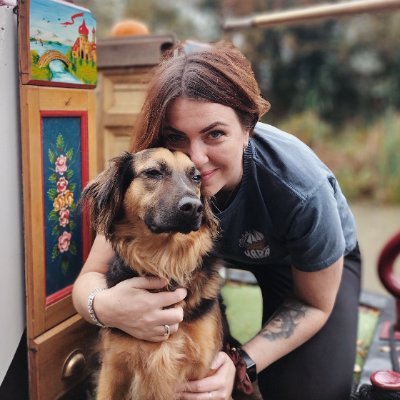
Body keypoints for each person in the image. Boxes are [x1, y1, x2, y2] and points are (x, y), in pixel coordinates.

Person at [72, 41, 362, 400]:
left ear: (248, 129)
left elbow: (314, 304)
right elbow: (90, 276)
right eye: (177, 137)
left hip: (302, 266)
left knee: (304, 391)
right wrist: (106, 307)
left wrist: (241, 362)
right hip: (208, 262)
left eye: (215, 134)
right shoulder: (149, 178)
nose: (197, 158)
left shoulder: (300, 188)